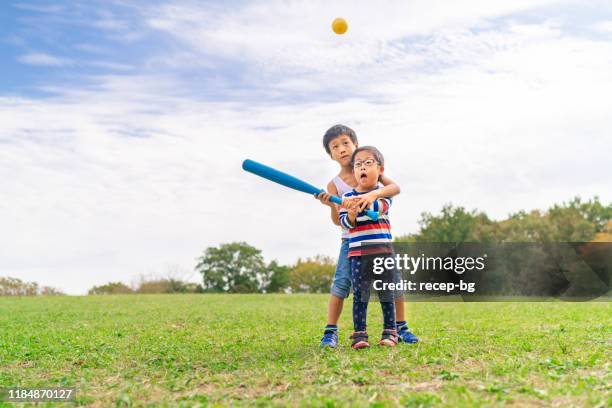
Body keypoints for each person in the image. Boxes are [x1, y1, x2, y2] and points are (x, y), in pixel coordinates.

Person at [315, 125, 418, 348]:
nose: (341, 149)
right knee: (342, 283)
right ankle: (330, 331)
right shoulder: (334, 185)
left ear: (355, 145)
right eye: (335, 147)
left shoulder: (369, 168)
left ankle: (401, 327)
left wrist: (374, 193)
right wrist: (332, 205)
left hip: (378, 239)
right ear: (330, 155)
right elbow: (337, 220)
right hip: (351, 240)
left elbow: (394, 188)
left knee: (393, 283)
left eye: (345, 143)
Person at [338, 146, 400, 348]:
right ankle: (360, 335)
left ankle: (390, 332)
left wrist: (366, 200)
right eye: (357, 165)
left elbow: (379, 208)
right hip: (357, 254)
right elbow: (346, 224)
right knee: (360, 295)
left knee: (386, 294)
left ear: (380, 170)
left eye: (367, 163)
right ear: (354, 172)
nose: (362, 167)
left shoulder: (382, 195)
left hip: (383, 253)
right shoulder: (346, 198)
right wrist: (352, 213)